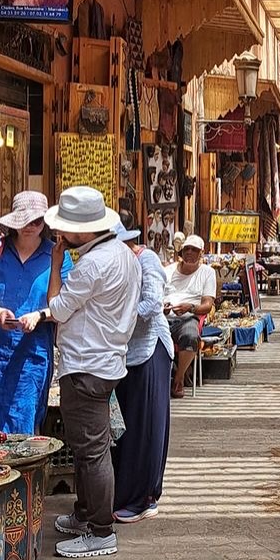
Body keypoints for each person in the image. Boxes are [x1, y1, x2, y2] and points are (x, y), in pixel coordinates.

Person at [18, 187, 141, 560]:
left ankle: (101, 530)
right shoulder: (122, 253)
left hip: (87, 364)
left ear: (83, 231)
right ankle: (87, 515)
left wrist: (56, 263)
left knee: (91, 452)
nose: (60, 235)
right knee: (91, 447)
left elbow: (56, 307)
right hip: (104, 361)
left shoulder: (91, 265)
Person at [0, 191, 73, 434]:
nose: (30, 227)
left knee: (25, 421)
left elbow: (67, 305)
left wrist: (39, 315)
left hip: (33, 354)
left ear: (44, 222)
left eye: (36, 221)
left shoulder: (56, 256)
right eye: (24, 221)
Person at [111, 221, 172, 524]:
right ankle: (126, 493)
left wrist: (111, 319)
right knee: (128, 426)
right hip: (126, 354)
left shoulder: (146, 261)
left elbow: (151, 305)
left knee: (145, 425)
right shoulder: (122, 263)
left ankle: (143, 497)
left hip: (149, 350)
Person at [164, 234, 217, 396]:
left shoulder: (207, 272)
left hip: (188, 317)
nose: (189, 253)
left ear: (201, 253)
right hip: (164, 316)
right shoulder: (168, 271)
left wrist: (191, 308)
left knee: (190, 335)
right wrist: (162, 306)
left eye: (194, 250)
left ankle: (178, 379)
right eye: (186, 249)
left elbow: (208, 305)